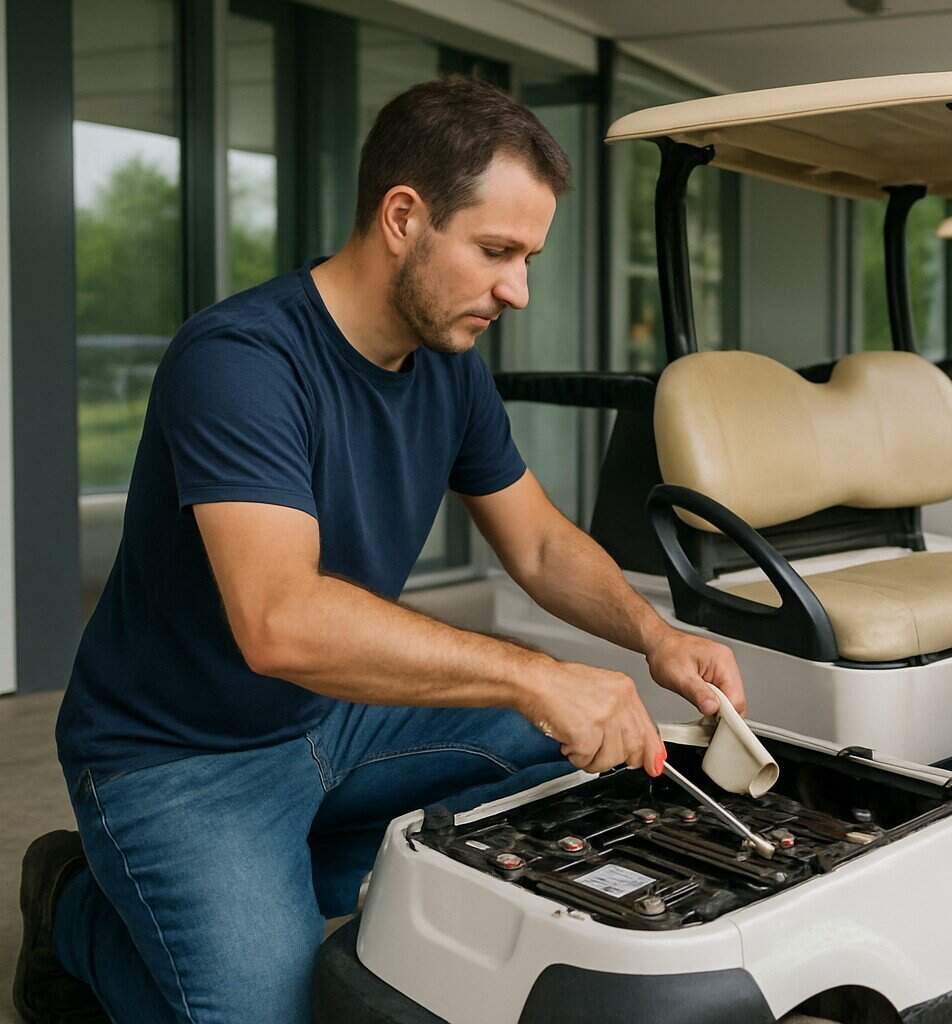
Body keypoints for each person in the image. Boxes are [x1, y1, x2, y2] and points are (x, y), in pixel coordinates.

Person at [13, 76, 744, 1024]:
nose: (517, 289)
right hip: (177, 756)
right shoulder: (240, 362)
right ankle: (73, 904)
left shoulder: (451, 367)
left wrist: (655, 638)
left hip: (338, 720)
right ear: (403, 215)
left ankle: (306, 867)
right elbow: (280, 623)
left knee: (602, 760)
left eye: (527, 258)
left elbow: (538, 543)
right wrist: (532, 675)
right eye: (497, 251)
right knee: (273, 1011)